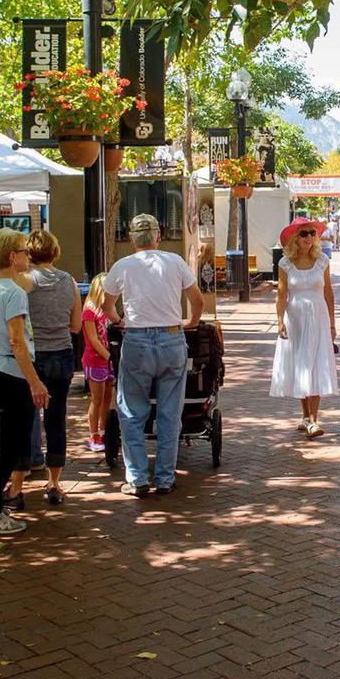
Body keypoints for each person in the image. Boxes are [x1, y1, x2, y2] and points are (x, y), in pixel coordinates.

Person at [104, 213, 204, 498]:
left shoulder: (123, 266)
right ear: (158, 237)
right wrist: (191, 322)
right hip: (171, 338)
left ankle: (136, 478)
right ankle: (164, 477)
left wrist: (118, 320)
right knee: (170, 413)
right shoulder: (175, 262)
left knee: (132, 412)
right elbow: (196, 300)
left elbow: (106, 304)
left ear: (132, 238)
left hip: (136, 340)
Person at [0, 228, 49, 534]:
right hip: (11, 372)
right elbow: (17, 341)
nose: (28, 255)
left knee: (6, 442)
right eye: (24, 250)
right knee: (8, 444)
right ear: (10, 256)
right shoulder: (12, 292)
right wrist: (35, 382)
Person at [24, 230, 81, 507]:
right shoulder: (68, 281)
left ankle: (20, 477)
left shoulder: (24, 283)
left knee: (25, 417)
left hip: (32, 357)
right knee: (56, 420)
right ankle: (55, 482)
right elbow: (76, 326)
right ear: (55, 252)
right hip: (61, 354)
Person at [272, 219, 339, 436]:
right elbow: (282, 293)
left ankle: (313, 420)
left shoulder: (322, 261)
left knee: (316, 363)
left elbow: (328, 292)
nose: (309, 237)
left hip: (318, 317)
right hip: (296, 318)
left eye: (312, 233)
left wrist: (332, 322)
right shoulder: (285, 263)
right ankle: (304, 415)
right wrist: (280, 320)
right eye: (304, 234)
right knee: (301, 364)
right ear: (294, 238)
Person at [81, 273, 115, 453]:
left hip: (107, 359)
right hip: (95, 360)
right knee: (97, 398)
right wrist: (109, 356)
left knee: (108, 396)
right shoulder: (89, 310)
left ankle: (104, 430)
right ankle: (93, 433)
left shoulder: (106, 309)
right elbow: (93, 339)